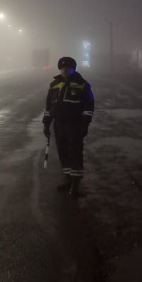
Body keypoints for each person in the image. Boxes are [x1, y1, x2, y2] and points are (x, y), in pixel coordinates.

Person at [43, 56, 94, 197]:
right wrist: (46, 124)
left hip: (74, 125)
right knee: (63, 152)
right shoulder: (54, 85)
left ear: (73, 69)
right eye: (62, 68)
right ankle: (68, 179)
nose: (65, 70)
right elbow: (49, 106)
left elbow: (88, 106)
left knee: (75, 152)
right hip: (59, 124)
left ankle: (75, 184)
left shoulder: (82, 84)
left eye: (68, 68)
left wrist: (85, 124)